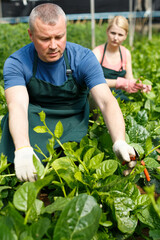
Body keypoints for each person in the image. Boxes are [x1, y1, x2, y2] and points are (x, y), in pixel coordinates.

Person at [0, 3, 136, 182]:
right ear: (31, 35)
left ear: (65, 30)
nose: (53, 45)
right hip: (35, 117)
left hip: (74, 118)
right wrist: (23, 148)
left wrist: (119, 140)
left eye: (59, 36)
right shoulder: (17, 62)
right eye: (45, 39)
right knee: (16, 157)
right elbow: (17, 105)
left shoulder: (83, 58)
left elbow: (106, 101)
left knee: (71, 168)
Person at [92, 15, 151, 101]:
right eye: (113, 33)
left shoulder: (125, 53)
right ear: (107, 31)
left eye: (120, 35)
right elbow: (93, 81)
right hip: (99, 97)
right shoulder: (97, 52)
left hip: (118, 97)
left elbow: (129, 78)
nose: (115, 38)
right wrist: (119, 82)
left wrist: (140, 84)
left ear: (125, 36)